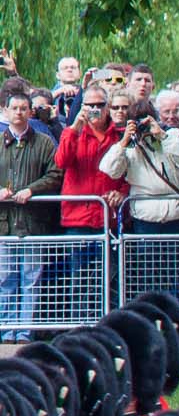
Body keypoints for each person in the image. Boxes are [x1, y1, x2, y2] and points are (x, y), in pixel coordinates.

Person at [1, 90, 61, 340]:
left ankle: (24, 332)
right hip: (4, 225)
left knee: (30, 279)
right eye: (14, 108)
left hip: (33, 224)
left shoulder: (45, 142)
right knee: (5, 280)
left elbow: (56, 174)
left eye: (23, 108)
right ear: (5, 111)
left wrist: (31, 189)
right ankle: (5, 330)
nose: (19, 113)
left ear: (30, 111)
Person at [99, 105, 179, 234]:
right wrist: (124, 141)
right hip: (145, 219)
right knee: (146, 255)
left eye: (146, 122)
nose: (143, 127)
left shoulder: (171, 135)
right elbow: (110, 170)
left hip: (177, 215)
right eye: (137, 122)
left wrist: (161, 135)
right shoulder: (128, 146)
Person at [54, 82, 125, 235]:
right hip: (78, 218)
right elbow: (61, 162)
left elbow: (130, 173)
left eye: (100, 105)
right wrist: (75, 127)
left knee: (111, 260)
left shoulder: (119, 135)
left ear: (108, 107)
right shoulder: (72, 133)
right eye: (90, 105)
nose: (95, 110)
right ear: (82, 106)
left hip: (109, 217)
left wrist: (122, 193)